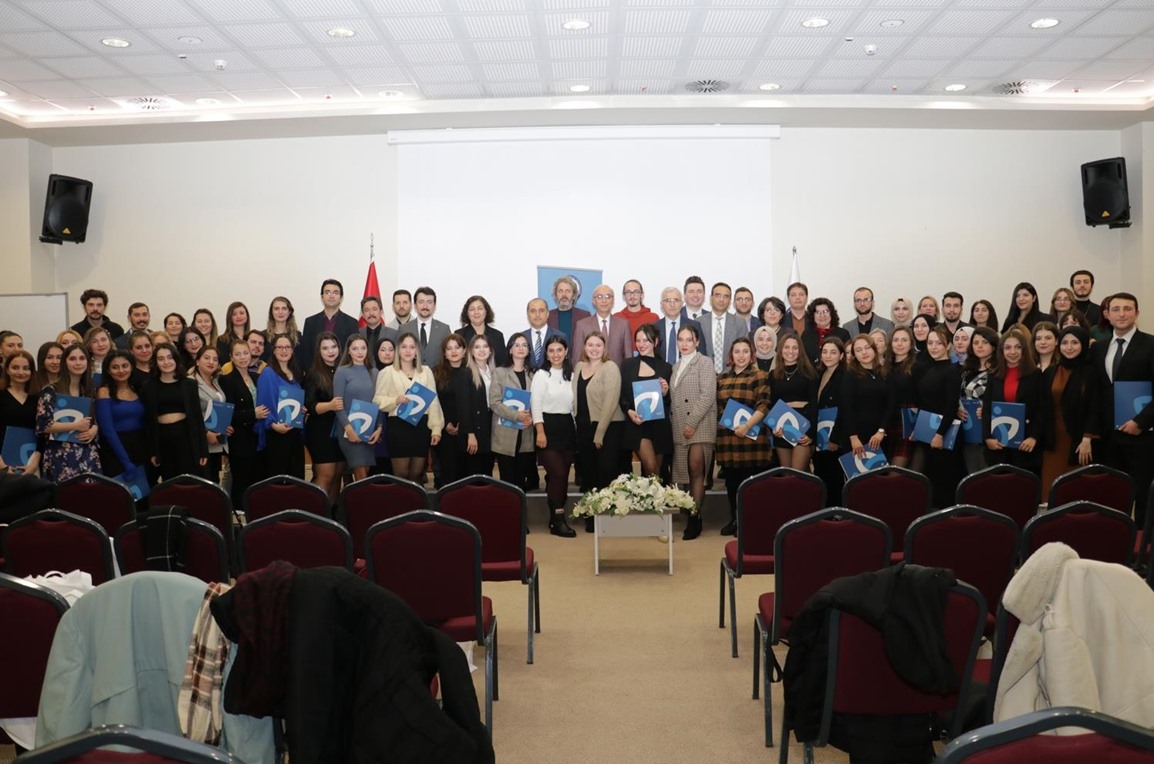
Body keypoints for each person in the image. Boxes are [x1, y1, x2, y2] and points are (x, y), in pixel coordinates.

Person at [1092, 292, 1154, 529]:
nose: (1121, 314)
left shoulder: (1150, 344)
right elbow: (1097, 392)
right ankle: (1116, 540)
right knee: (1112, 495)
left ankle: (1143, 546)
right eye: (1115, 309)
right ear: (1107, 315)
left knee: (1143, 496)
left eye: (1127, 309)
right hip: (1108, 437)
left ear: (1137, 313)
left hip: (1141, 435)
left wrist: (1141, 422)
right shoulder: (1099, 349)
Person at [714, 337, 771, 535]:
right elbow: (718, 408)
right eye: (737, 351)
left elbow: (763, 405)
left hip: (751, 440)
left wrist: (746, 426)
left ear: (752, 354)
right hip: (728, 441)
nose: (741, 355)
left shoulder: (759, 375)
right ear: (731, 355)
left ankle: (748, 524)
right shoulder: (722, 377)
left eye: (745, 351)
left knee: (750, 486)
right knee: (732, 483)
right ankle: (735, 519)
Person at [374, 332, 443, 484]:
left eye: (412, 347)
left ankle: (416, 500)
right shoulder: (387, 372)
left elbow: (434, 401)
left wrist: (436, 428)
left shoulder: (426, 371)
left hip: (421, 427)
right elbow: (377, 400)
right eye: (404, 346)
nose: (408, 350)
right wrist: (395, 400)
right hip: (398, 427)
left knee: (417, 474)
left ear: (417, 350)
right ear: (398, 350)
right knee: (401, 474)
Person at [572, 331, 625, 528]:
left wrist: (599, 433)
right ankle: (591, 514)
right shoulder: (579, 367)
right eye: (590, 345)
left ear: (604, 348)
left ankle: (607, 517)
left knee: (606, 471)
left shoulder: (610, 368)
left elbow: (611, 403)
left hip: (608, 427)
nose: (594, 349)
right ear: (584, 347)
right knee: (588, 471)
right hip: (584, 427)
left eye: (598, 345)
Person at [1040, 326, 1099, 500]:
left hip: (1079, 441)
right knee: (1050, 491)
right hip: (1052, 441)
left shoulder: (1091, 372)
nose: (1069, 347)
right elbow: (1042, 406)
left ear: (1083, 345)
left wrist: (1087, 437)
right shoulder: (1050, 372)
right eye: (1065, 343)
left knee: (1075, 492)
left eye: (1075, 342)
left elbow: (1095, 408)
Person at [669, 324, 716, 540]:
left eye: (689, 340)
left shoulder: (704, 362)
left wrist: (692, 422)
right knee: (685, 474)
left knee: (696, 469)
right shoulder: (675, 367)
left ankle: (695, 518)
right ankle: (690, 511)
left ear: (697, 342)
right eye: (681, 339)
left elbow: (707, 395)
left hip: (700, 424)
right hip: (680, 426)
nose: (684, 344)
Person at [531, 336, 577, 537]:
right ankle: (559, 520)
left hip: (567, 428)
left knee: (563, 475)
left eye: (559, 350)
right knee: (557, 473)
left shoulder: (572, 375)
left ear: (566, 352)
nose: (556, 354)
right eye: (551, 350)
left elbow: (573, 407)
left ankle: (554, 518)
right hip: (547, 428)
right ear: (546, 354)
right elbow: (536, 404)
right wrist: (540, 431)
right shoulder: (541, 375)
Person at [982, 328, 1045, 477]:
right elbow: (987, 409)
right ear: (1001, 351)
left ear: (1024, 350)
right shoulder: (993, 375)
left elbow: (1042, 409)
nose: (1012, 352)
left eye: (1017, 347)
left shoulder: (1035, 374)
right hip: (998, 444)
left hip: (1026, 445)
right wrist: (987, 437)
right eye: (1008, 347)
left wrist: (1034, 437)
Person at [912, 326, 963, 507]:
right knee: (930, 478)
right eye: (930, 343)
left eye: (939, 343)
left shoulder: (952, 370)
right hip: (927, 431)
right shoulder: (927, 368)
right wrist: (917, 429)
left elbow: (951, 406)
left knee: (944, 479)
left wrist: (940, 433)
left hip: (944, 433)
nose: (933, 347)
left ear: (948, 345)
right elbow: (924, 403)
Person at [143, 343, 207, 482]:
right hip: (163, 439)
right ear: (155, 362)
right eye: (161, 359)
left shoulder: (189, 384)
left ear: (176, 359)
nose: (166, 362)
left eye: (170, 357)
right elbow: (148, 422)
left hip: (186, 437)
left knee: (189, 481)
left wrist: (203, 450)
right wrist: (152, 451)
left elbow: (197, 418)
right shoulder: (149, 386)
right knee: (170, 482)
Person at [37, 345, 100, 482]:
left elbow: (93, 420)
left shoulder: (88, 389)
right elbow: (43, 425)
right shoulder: (51, 391)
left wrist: (94, 429)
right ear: (64, 362)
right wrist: (75, 425)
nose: (78, 363)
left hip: (87, 454)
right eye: (72, 359)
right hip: (60, 455)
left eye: (82, 358)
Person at [619, 324, 673, 480]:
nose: (641, 344)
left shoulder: (666, 368)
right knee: (651, 467)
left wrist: (665, 392)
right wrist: (629, 411)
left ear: (655, 342)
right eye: (638, 340)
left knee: (658, 473)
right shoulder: (627, 365)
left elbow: (668, 401)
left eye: (646, 340)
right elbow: (622, 395)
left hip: (659, 426)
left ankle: (655, 497)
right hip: (638, 424)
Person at [219, 338, 268, 507]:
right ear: (231, 357)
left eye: (245, 353)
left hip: (258, 438)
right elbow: (229, 414)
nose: (242, 357)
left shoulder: (257, 377)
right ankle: (239, 515)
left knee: (258, 481)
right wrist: (252, 414)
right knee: (241, 482)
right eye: (238, 354)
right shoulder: (226, 380)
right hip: (239, 439)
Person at [303, 332, 347, 503]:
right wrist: (330, 405)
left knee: (337, 475)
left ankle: (332, 514)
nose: (330, 351)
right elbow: (309, 406)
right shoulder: (313, 373)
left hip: (341, 430)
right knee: (326, 475)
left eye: (333, 347)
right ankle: (314, 514)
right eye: (325, 348)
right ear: (318, 351)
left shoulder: (345, 370)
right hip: (320, 431)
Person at [255, 333, 306, 479]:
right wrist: (273, 425)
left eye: (287, 347)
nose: (284, 350)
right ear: (274, 350)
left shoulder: (295, 373)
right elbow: (263, 405)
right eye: (280, 347)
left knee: (296, 480)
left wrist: (301, 409)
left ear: (292, 350)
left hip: (294, 432)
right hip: (276, 434)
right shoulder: (268, 373)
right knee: (278, 481)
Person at [839, 335, 892, 474]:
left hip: (879, 436)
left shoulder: (884, 372)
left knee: (880, 479)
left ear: (874, 349)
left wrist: (881, 431)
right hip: (856, 437)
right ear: (854, 355)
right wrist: (853, 437)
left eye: (867, 348)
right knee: (858, 481)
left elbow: (890, 405)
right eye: (858, 350)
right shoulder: (850, 375)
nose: (864, 352)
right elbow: (846, 408)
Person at [490, 333, 537, 491]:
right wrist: (517, 416)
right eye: (516, 345)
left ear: (528, 350)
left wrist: (532, 418)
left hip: (526, 433)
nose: (520, 348)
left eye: (524, 345)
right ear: (510, 350)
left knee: (521, 482)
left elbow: (537, 402)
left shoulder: (533, 374)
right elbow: (494, 402)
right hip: (505, 433)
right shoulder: (500, 372)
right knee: (507, 482)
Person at [333, 335, 382, 482]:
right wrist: (349, 429)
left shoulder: (374, 372)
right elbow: (338, 405)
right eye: (355, 348)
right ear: (348, 351)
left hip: (369, 429)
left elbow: (379, 402)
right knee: (360, 474)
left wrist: (379, 428)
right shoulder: (342, 372)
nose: (360, 352)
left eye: (363, 348)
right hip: (348, 430)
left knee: (365, 471)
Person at [770, 332, 817, 470]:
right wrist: (773, 427)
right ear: (780, 350)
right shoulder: (773, 375)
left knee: (797, 473)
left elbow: (814, 405)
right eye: (786, 347)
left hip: (803, 431)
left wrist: (810, 434)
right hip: (781, 430)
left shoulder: (809, 373)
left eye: (795, 348)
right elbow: (772, 404)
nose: (790, 351)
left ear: (800, 351)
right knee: (786, 475)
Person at [958, 327, 999, 475]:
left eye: (984, 342)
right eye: (976, 343)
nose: (980, 346)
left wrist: (989, 410)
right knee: (971, 474)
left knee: (987, 475)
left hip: (988, 429)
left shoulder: (998, 371)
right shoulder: (967, 370)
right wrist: (958, 408)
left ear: (993, 346)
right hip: (967, 429)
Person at [811, 337, 847, 506]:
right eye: (825, 352)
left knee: (834, 476)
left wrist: (835, 438)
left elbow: (845, 409)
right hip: (819, 433)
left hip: (835, 435)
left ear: (841, 355)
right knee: (821, 472)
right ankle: (825, 511)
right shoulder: (819, 374)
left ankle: (836, 512)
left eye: (833, 352)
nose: (828, 356)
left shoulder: (845, 376)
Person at [455, 334, 495, 478]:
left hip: (491, 425)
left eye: (485, 346)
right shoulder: (465, 373)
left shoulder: (495, 373)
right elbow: (463, 407)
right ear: (471, 351)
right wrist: (470, 434)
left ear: (490, 350)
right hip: (474, 428)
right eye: (477, 347)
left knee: (488, 471)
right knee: (474, 473)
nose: (482, 350)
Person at [431, 333, 468, 487]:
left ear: (464, 351)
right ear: (444, 353)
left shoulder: (470, 373)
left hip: (465, 431)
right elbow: (433, 402)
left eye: (457, 347)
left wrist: (463, 425)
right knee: (447, 475)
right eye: (449, 348)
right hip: (443, 429)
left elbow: (472, 403)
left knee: (464, 476)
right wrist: (445, 424)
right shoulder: (436, 373)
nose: (453, 351)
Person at [300, 280, 359, 370]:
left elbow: (353, 351)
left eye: (335, 293)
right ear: (322, 296)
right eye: (327, 292)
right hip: (316, 373)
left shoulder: (352, 323)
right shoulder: (310, 322)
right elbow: (306, 352)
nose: (331, 296)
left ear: (341, 297)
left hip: (343, 372)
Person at [0, 350, 40, 475]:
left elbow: (42, 434)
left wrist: (34, 463)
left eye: (26, 368)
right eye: (15, 368)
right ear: (7, 370)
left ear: (32, 371)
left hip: (31, 463)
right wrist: (2, 466)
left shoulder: (38, 397)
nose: (21, 372)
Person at [191, 345, 227, 483]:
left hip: (216, 442)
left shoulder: (215, 381)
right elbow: (191, 414)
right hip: (201, 442)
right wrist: (205, 433)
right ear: (197, 361)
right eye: (206, 358)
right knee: (203, 483)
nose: (211, 362)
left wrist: (226, 426)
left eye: (215, 359)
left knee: (214, 481)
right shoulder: (191, 382)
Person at [571, 285, 632, 366]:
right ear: (593, 301)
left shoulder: (623, 325)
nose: (604, 300)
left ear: (613, 301)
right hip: (590, 373)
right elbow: (577, 357)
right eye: (599, 297)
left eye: (608, 297)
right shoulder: (582, 325)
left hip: (617, 373)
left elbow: (628, 356)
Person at [886, 326, 918, 468]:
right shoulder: (884, 367)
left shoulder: (917, 366)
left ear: (911, 344)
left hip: (908, 423)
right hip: (887, 423)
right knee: (883, 471)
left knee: (896, 472)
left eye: (904, 340)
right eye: (896, 340)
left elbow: (923, 398)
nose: (899, 344)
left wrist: (918, 426)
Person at [699, 282, 745, 374]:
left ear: (730, 300)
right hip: (703, 375)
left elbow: (744, 352)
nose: (721, 299)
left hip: (732, 375)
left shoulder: (739, 323)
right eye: (718, 295)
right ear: (711, 298)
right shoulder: (699, 322)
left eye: (726, 296)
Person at [401, 286, 451, 367]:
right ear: (415, 305)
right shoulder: (404, 329)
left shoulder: (444, 329)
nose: (425, 306)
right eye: (421, 302)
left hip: (438, 374)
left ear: (434, 305)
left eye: (429, 302)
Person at [653, 287, 702, 366]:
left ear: (682, 303)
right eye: (668, 300)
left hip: (688, 371)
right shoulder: (654, 327)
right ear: (661, 304)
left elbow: (701, 354)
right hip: (660, 371)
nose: (672, 304)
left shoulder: (694, 325)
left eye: (676, 300)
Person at [548, 275, 592, 359]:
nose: (564, 295)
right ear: (555, 295)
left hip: (578, 362)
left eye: (568, 291)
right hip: (555, 362)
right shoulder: (548, 316)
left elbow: (589, 342)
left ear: (574, 295)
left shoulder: (585, 316)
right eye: (560, 291)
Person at [458, 295, 507, 367]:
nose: (476, 312)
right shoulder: (459, 335)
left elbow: (502, 363)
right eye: (472, 309)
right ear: (467, 313)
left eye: (480, 308)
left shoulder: (497, 335)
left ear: (486, 311)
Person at [801, 298, 850, 366]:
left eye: (826, 311)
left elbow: (847, 358)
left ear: (831, 314)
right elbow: (802, 358)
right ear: (813, 315)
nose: (822, 315)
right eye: (818, 312)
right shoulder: (806, 334)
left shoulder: (843, 334)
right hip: (810, 372)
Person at [522, 297, 566, 372]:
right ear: (528, 315)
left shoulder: (561, 336)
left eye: (541, 311)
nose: (537, 315)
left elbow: (567, 365)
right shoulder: (521, 338)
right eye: (533, 311)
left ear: (548, 314)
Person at [614, 279, 660, 350]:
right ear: (623, 296)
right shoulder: (616, 318)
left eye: (636, 292)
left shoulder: (653, 318)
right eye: (628, 292)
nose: (632, 296)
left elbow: (657, 346)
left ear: (642, 295)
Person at [358, 295, 396, 367]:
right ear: (363, 315)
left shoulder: (393, 334)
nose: (371, 313)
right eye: (367, 310)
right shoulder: (358, 334)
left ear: (381, 312)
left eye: (374, 309)